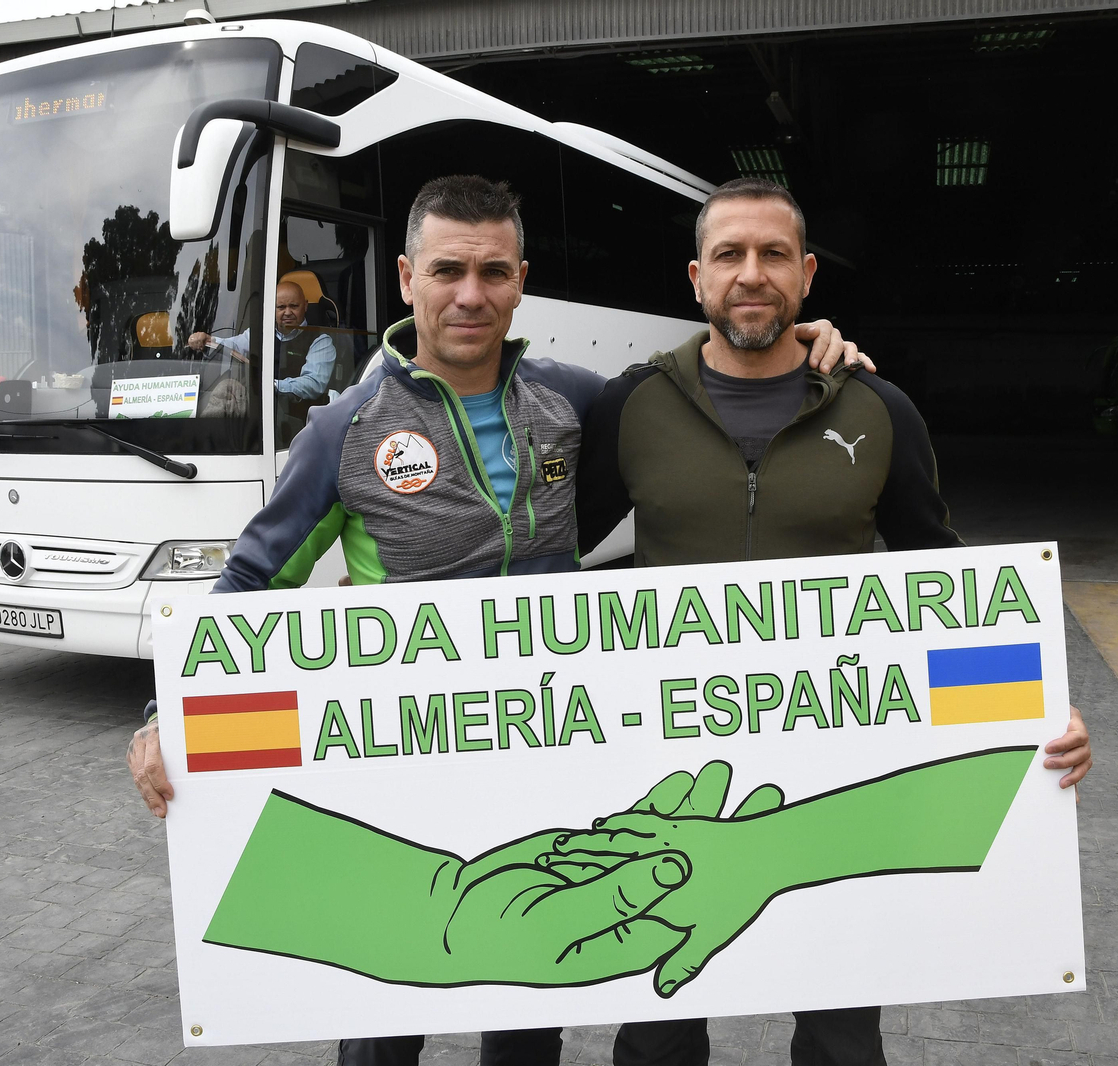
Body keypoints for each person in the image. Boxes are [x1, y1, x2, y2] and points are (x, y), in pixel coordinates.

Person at [128, 174, 866, 1066]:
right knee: (384, 1010)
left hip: (541, 764)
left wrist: (808, 337)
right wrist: (164, 712)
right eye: (447, 271)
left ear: (522, 279)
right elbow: (253, 576)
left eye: (492, 272)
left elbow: (718, 362)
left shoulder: (577, 400)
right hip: (399, 765)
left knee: (524, 1004)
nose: (470, 295)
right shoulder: (347, 427)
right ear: (407, 278)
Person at [575, 177, 1093, 1066]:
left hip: (836, 762)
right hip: (671, 770)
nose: (751, 274)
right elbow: (545, 577)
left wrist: (1037, 707)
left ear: (807, 276)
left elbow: (947, 577)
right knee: (657, 1025)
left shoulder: (877, 410)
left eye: (773, 254)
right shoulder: (630, 408)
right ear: (696, 278)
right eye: (729, 255)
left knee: (843, 1025)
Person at [189, 279, 337, 402]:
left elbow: (313, 384)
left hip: (300, 417)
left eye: (293, 306)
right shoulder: (261, 334)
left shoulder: (320, 340)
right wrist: (208, 341)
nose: (287, 312)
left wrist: (272, 386)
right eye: (281, 307)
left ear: (305, 306)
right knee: (226, 390)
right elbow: (234, 346)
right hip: (260, 410)